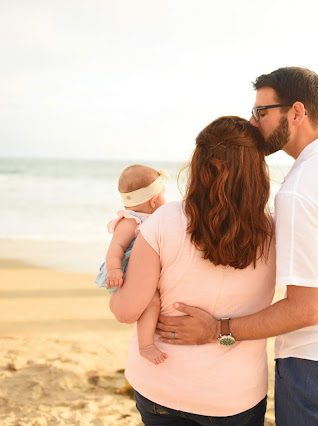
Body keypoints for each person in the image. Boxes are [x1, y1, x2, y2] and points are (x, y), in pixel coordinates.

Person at [157, 67, 318, 425]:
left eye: (262, 112)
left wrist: (218, 330)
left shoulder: (300, 189)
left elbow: (305, 310)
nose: (253, 123)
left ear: (297, 112)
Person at [110, 116, 276, 425]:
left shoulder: (163, 220)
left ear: (198, 164)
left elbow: (126, 310)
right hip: (234, 395)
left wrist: (114, 291)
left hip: (161, 386)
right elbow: (298, 308)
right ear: (255, 171)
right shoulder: (276, 231)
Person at [95, 165, 167, 364]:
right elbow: (115, 248)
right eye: (163, 195)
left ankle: (146, 343)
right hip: (124, 275)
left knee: (153, 302)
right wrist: (115, 270)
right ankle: (145, 346)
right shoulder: (131, 221)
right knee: (151, 302)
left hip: (141, 274)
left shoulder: (154, 220)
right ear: (154, 201)